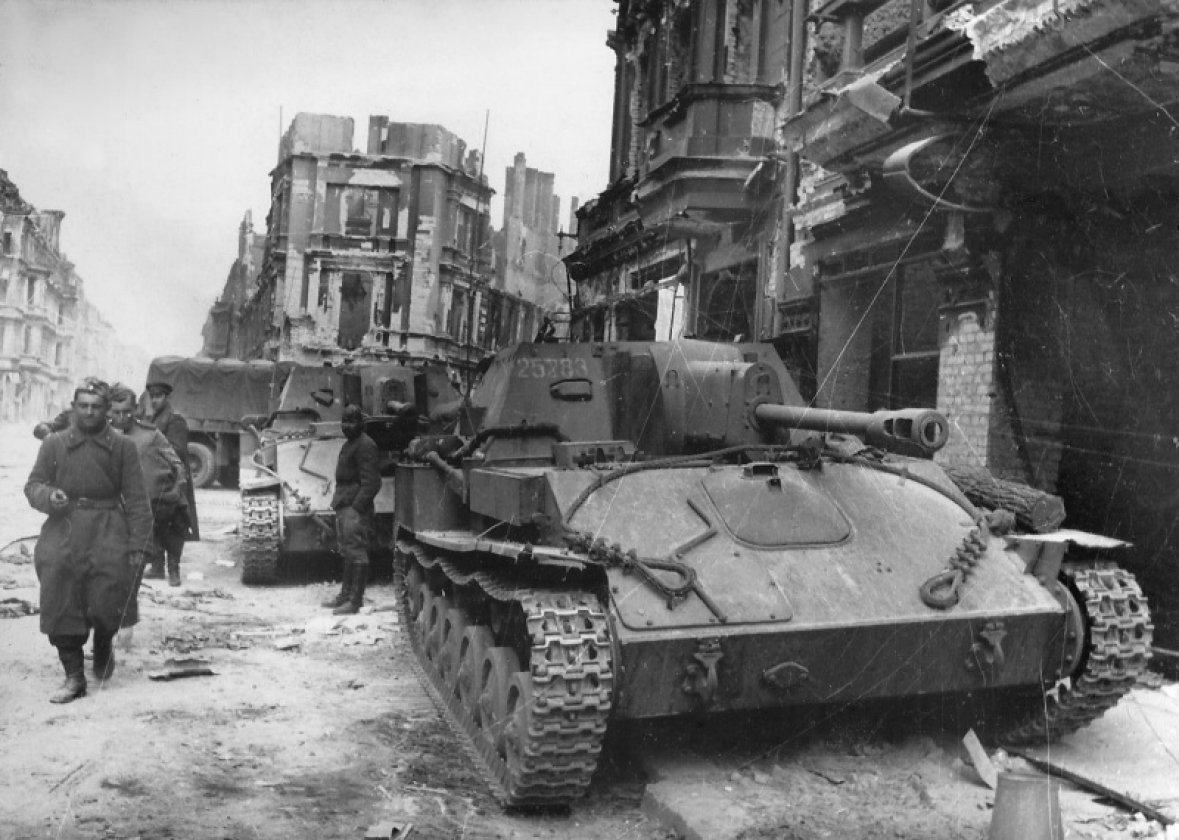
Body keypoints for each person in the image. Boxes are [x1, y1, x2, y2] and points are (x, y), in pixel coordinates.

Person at [24, 378, 153, 703]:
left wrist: (138, 546)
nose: (89, 412)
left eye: (96, 406)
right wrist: (49, 496)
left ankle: (103, 641)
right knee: (59, 592)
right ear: (73, 407)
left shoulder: (123, 447)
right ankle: (74, 676)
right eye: (83, 406)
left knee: (109, 594)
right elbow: (33, 485)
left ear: (106, 409)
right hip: (64, 526)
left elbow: (138, 500)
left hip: (108, 527)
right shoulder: (54, 443)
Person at [109, 383, 187, 606]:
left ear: (135, 409)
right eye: (116, 412)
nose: (121, 417)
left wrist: (176, 489)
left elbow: (176, 462)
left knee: (165, 534)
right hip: (114, 508)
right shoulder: (103, 435)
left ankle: (171, 570)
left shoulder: (151, 434)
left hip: (146, 502)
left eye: (127, 411)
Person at [321, 404, 381, 615]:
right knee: (347, 552)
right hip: (345, 505)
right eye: (344, 421)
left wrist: (357, 508)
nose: (347, 426)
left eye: (352, 421)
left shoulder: (365, 445)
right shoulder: (351, 444)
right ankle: (345, 596)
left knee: (356, 552)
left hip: (354, 508)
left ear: (361, 423)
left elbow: (372, 483)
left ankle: (355, 601)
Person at [143, 379, 199, 585]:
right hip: (156, 481)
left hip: (174, 481)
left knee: (175, 526)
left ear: (166, 397)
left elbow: (178, 450)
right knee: (155, 523)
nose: (154, 400)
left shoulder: (175, 420)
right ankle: (157, 567)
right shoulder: (152, 419)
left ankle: (174, 570)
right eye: (152, 397)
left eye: (158, 396)